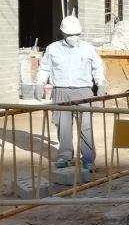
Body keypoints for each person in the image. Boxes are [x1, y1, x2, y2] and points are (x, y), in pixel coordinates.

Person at [35, 15, 107, 170]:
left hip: (83, 92)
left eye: (76, 35)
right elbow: (45, 67)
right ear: (63, 34)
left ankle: (87, 158)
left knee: (85, 126)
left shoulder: (88, 48)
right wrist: (39, 83)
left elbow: (97, 67)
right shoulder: (52, 49)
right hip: (61, 91)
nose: (73, 38)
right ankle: (65, 156)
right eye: (70, 35)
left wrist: (100, 83)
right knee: (63, 126)